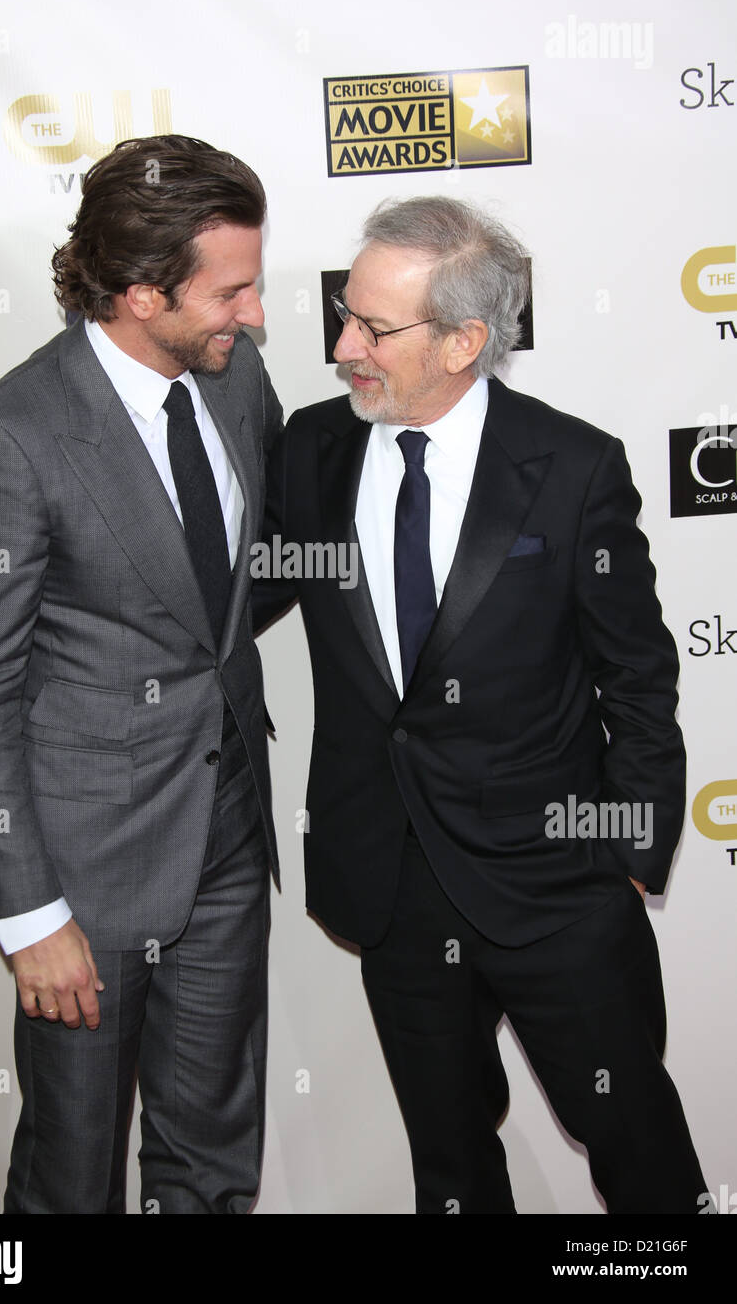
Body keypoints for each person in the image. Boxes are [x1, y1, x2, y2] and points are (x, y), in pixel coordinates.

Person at [255, 196, 707, 1214]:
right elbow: (239, 596)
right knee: (449, 1169)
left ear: (464, 340)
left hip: (557, 888)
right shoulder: (313, 451)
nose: (341, 346)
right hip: (394, 888)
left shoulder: (571, 467)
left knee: (638, 1156)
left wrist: (625, 861)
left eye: (372, 327)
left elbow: (635, 675)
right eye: (344, 314)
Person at [0, 133, 283, 1214]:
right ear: (138, 292)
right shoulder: (10, 440)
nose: (256, 315)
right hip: (82, 878)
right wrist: (30, 917)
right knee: (71, 1177)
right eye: (232, 292)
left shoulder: (234, 378)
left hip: (225, 839)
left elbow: (231, 587)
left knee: (212, 1161)